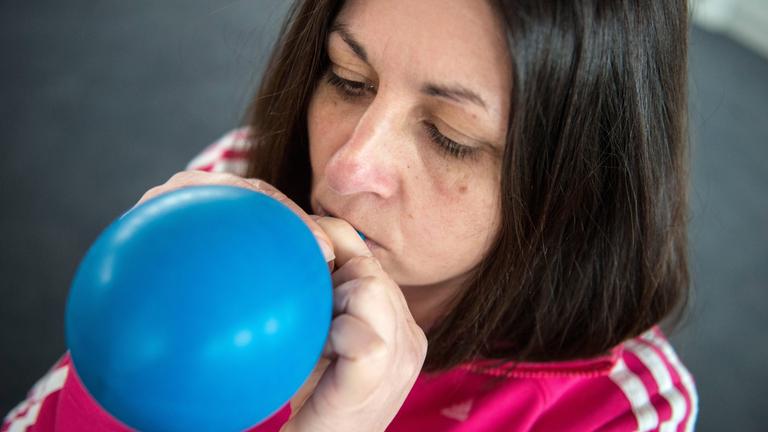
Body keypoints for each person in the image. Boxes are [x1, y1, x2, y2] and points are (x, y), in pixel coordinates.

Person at [3, 0, 698, 430]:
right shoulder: (236, 187)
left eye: (451, 135)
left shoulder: (619, 412)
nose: (345, 167)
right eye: (348, 78)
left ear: (578, 182)